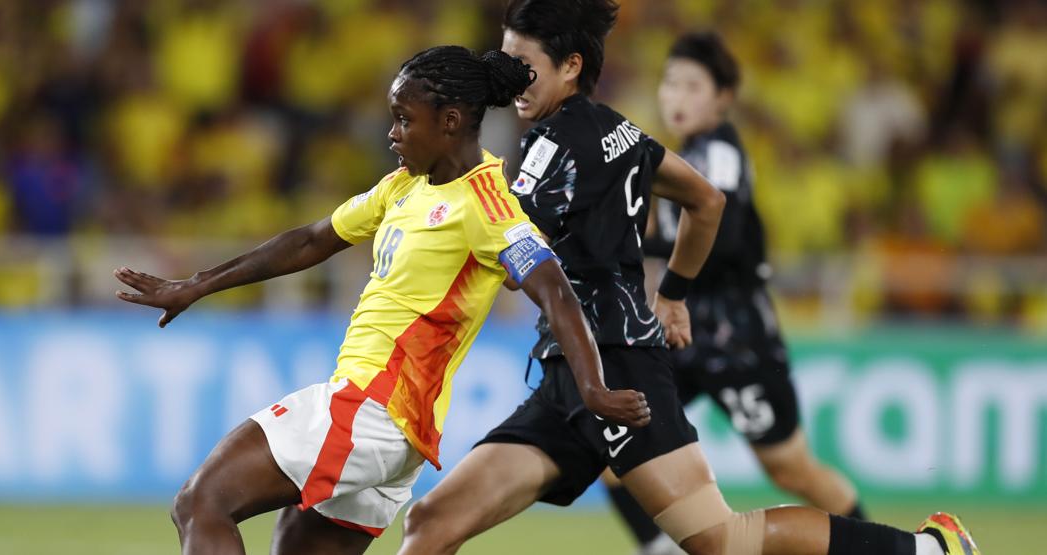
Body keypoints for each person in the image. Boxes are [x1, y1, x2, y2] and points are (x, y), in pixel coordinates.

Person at [396, 2, 981, 555]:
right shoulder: (618, 131)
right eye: (503, 60)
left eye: (523, 64)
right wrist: (672, 295)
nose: (510, 77)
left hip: (620, 371)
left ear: (571, 66)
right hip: (569, 378)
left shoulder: (550, 151)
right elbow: (705, 200)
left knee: (722, 540)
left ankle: (927, 548)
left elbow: (505, 260)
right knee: (433, 520)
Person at [112, 45, 651, 555]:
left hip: (372, 407)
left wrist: (593, 388)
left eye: (403, 119)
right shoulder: (404, 186)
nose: (392, 134)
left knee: (200, 501)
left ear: (450, 121)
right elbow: (311, 239)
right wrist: (198, 284)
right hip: (395, 434)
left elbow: (553, 288)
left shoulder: (486, 205)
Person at [601, 31, 868, 555]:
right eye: (670, 83)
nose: (675, 96)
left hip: (738, 339)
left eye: (692, 85)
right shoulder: (688, 156)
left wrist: (627, 238)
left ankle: (888, 546)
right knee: (615, 444)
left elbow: (719, 234)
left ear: (723, 97)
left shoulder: (717, 152)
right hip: (684, 333)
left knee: (790, 469)